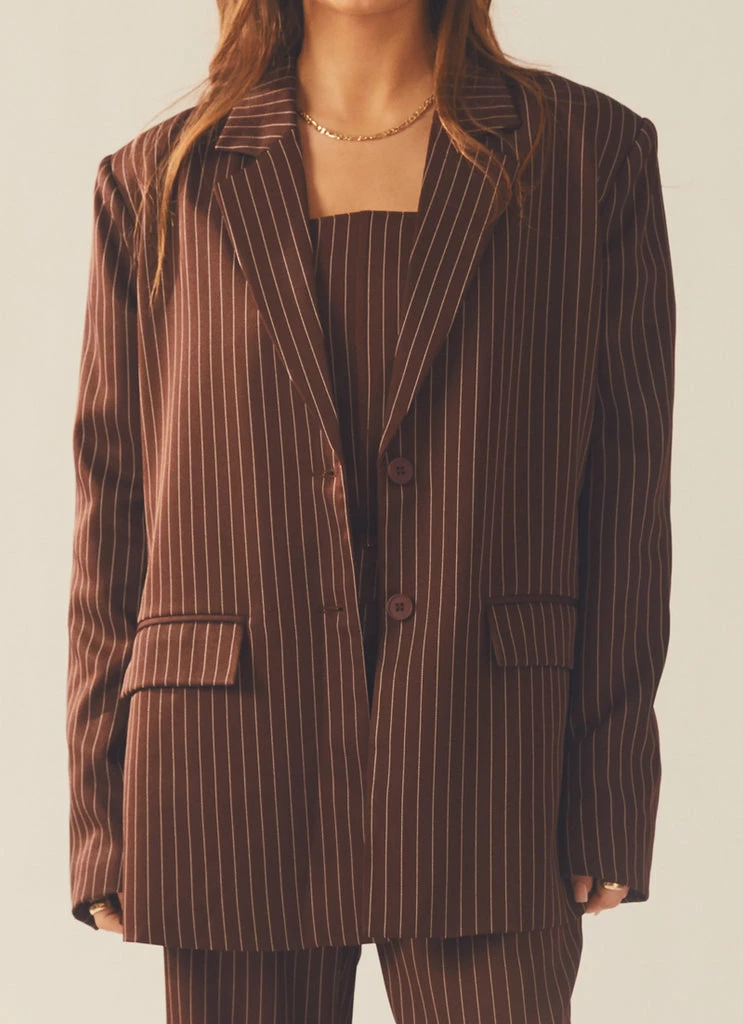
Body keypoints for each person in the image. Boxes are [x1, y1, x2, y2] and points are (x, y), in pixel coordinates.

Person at [66, 0, 676, 1020]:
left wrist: (608, 782)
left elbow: (623, 493)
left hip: (488, 756)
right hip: (227, 759)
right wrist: (99, 806)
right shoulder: (158, 180)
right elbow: (114, 506)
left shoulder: (584, 156)